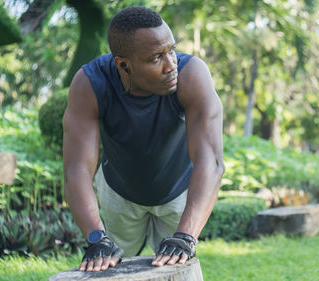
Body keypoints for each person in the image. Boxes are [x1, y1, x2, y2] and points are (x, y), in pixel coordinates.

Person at [62, 6, 224, 272]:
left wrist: (186, 236)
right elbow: (76, 169)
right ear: (123, 65)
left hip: (177, 189)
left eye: (171, 50)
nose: (171, 64)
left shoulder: (192, 75)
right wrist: (96, 238)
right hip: (118, 191)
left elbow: (212, 160)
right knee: (111, 269)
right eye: (156, 57)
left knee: (176, 268)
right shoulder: (90, 84)